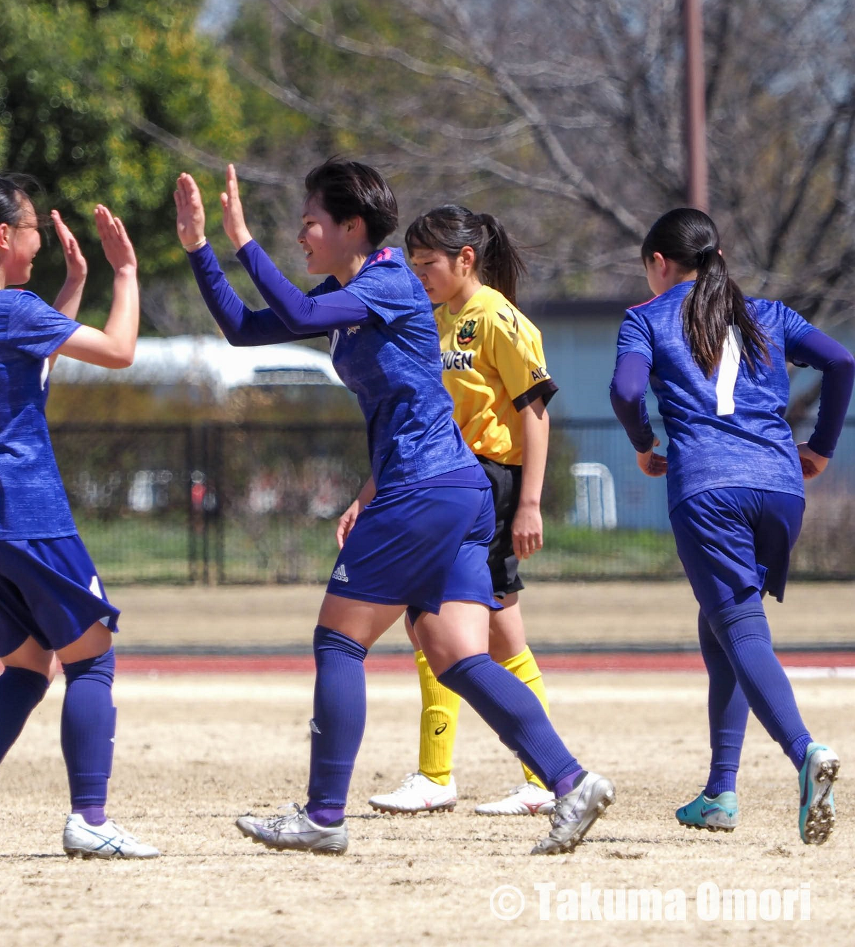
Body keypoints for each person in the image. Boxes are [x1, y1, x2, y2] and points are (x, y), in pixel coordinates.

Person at [176, 160, 612, 856]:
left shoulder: (383, 282)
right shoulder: (352, 288)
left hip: (422, 489)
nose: (301, 235)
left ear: (352, 227)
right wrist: (200, 249)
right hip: (453, 491)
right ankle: (572, 780)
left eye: (311, 222)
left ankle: (322, 816)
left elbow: (298, 313)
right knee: (458, 656)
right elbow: (244, 327)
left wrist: (241, 240)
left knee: (339, 641)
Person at [0, 174, 158, 861]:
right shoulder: (13, 311)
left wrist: (72, 285)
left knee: (28, 667)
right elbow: (118, 351)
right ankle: (90, 819)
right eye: (31, 229)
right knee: (93, 660)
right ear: (4, 237)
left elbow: (27, 361)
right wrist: (124, 271)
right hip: (27, 516)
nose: (37, 241)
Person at [610, 207, 851, 844]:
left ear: (660, 263)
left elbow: (628, 391)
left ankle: (805, 753)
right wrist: (821, 447)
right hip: (780, 485)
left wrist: (642, 443)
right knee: (719, 625)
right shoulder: (768, 314)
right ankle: (720, 791)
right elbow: (843, 362)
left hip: (709, 488)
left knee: (739, 623)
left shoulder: (645, 317)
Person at [369, 206, 559, 818]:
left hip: (492, 485)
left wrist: (528, 501)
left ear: (465, 259)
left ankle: (538, 776)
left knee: (491, 630)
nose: (419, 274)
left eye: (429, 264)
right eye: (413, 263)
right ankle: (440, 775)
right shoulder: (436, 319)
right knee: (430, 620)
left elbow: (535, 411)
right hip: (446, 481)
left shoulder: (498, 318)